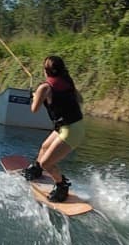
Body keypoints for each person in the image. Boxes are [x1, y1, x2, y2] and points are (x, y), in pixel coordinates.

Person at [22, 55, 84, 203]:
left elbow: (34, 109)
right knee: (44, 147)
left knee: (47, 163)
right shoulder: (67, 82)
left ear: (46, 70)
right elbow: (79, 99)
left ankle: (61, 185)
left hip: (71, 132)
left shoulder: (45, 88)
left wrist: (35, 96)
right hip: (71, 127)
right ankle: (36, 170)